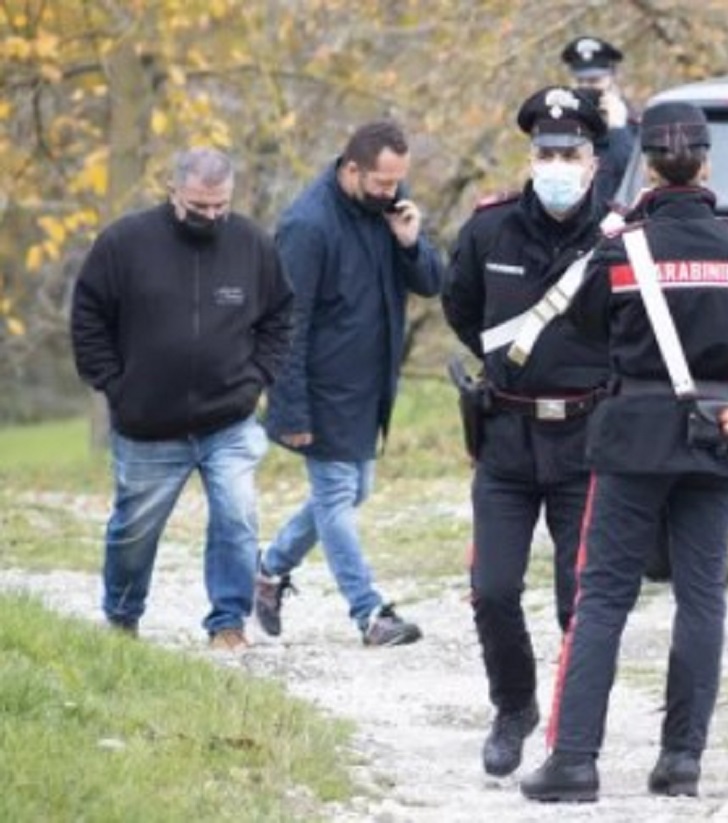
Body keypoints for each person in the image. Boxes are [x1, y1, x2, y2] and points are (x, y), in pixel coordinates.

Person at [521, 101, 728, 803]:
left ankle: (573, 760)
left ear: (647, 166)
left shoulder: (618, 248)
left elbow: (593, 335)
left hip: (632, 435)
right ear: (707, 163)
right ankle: (682, 759)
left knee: (601, 599)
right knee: (702, 597)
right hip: (718, 431)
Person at [442, 86, 611, 779]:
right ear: (530, 156)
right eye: (546, 152)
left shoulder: (619, 237)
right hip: (508, 437)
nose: (557, 164)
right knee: (493, 587)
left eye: (570, 152)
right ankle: (513, 707)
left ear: (595, 161)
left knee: (581, 599)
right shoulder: (489, 230)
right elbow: (462, 310)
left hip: (586, 439)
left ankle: (571, 733)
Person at [70, 147, 294, 650]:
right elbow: (88, 317)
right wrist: (114, 385)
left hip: (229, 421)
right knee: (134, 531)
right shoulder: (124, 243)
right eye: (199, 206)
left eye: (221, 206)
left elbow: (280, 316)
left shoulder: (253, 245)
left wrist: (257, 377)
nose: (211, 216)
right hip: (148, 423)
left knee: (238, 517)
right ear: (173, 193)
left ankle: (228, 624)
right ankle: (122, 619)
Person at [255, 120, 442, 647]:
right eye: (383, 183)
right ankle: (369, 613)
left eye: (397, 182)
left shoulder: (387, 210)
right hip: (321, 390)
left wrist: (411, 243)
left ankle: (267, 571)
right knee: (337, 496)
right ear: (352, 168)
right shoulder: (307, 226)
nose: (392, 192)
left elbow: (432, 283)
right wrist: (289, 412)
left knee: (354, 491)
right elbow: (284, 326)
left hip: (369, 386)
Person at [561, 35, 637, 206]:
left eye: (595, 81)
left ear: (612, 78)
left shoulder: (632, 125)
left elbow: (631, 174)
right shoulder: (564, 126)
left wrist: (618, 129)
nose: (586, 88)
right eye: (580, 81)